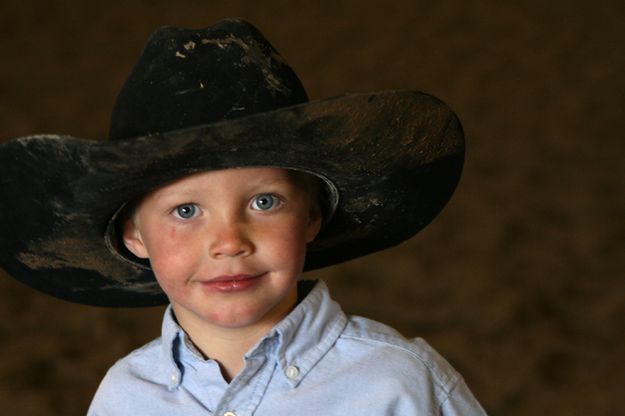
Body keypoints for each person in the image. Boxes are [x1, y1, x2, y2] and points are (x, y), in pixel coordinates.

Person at [0, 18, 486, 415]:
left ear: (312, 215)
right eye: (186, 210)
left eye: (264, 202)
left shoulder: (400, 383)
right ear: (134, 235)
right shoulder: (124, 397)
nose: (229, 241)